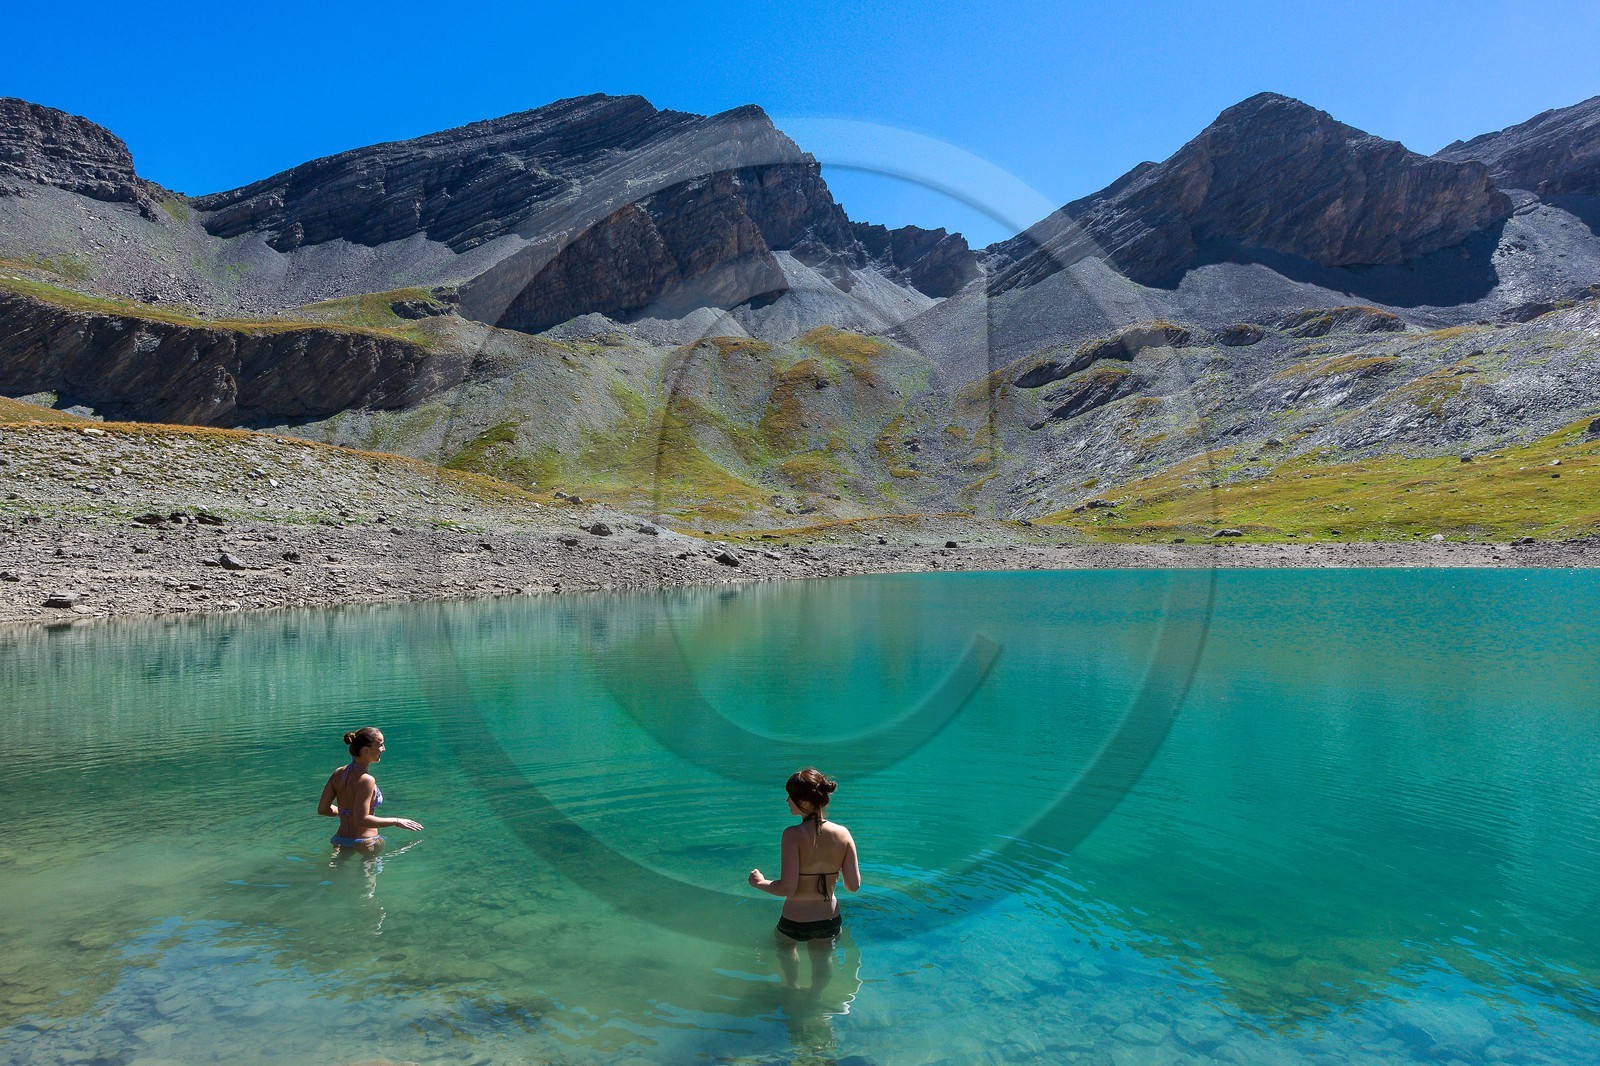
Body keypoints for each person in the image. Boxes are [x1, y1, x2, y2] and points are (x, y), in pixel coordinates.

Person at [748, 768, 862, 949]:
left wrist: (759, 883)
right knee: (822, 968)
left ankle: (791, 980)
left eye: (790, 796)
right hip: (829, 919)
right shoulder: (844, 834)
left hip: (795, 921)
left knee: (786, 963)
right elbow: (853, 886)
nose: (787, 800)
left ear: (804, 802)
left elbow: (788, 887)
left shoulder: (792, 835)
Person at [317, 727, 423, 850]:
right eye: (381, 745)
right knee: (367, 869)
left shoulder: (338, 773)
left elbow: (323, 809)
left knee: (337, 868)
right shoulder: (367, 780)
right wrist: (396, 821)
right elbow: (362, 820)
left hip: (339, 840)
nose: (384, 749)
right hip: (366, 841)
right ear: (366, 750)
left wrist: (345, 812)